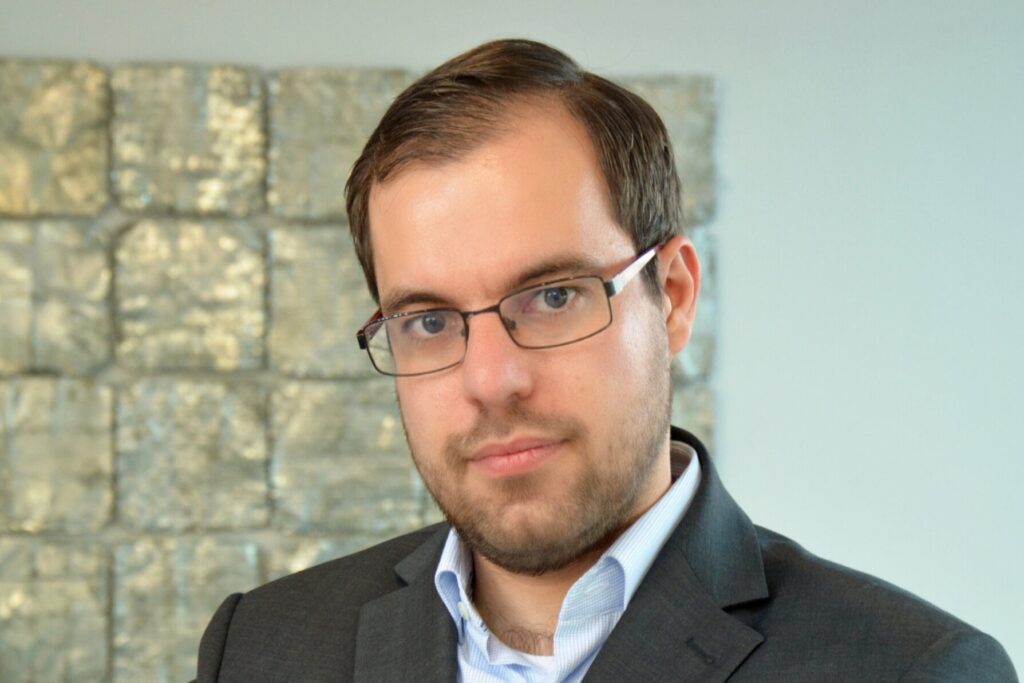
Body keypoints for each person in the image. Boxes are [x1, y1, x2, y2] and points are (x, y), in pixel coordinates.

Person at [194, 39, 1017, 682]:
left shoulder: (912, 670)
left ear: (675, 296)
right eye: (431, 321)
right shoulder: (261, 649)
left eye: (553, 296)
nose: (492, 381)